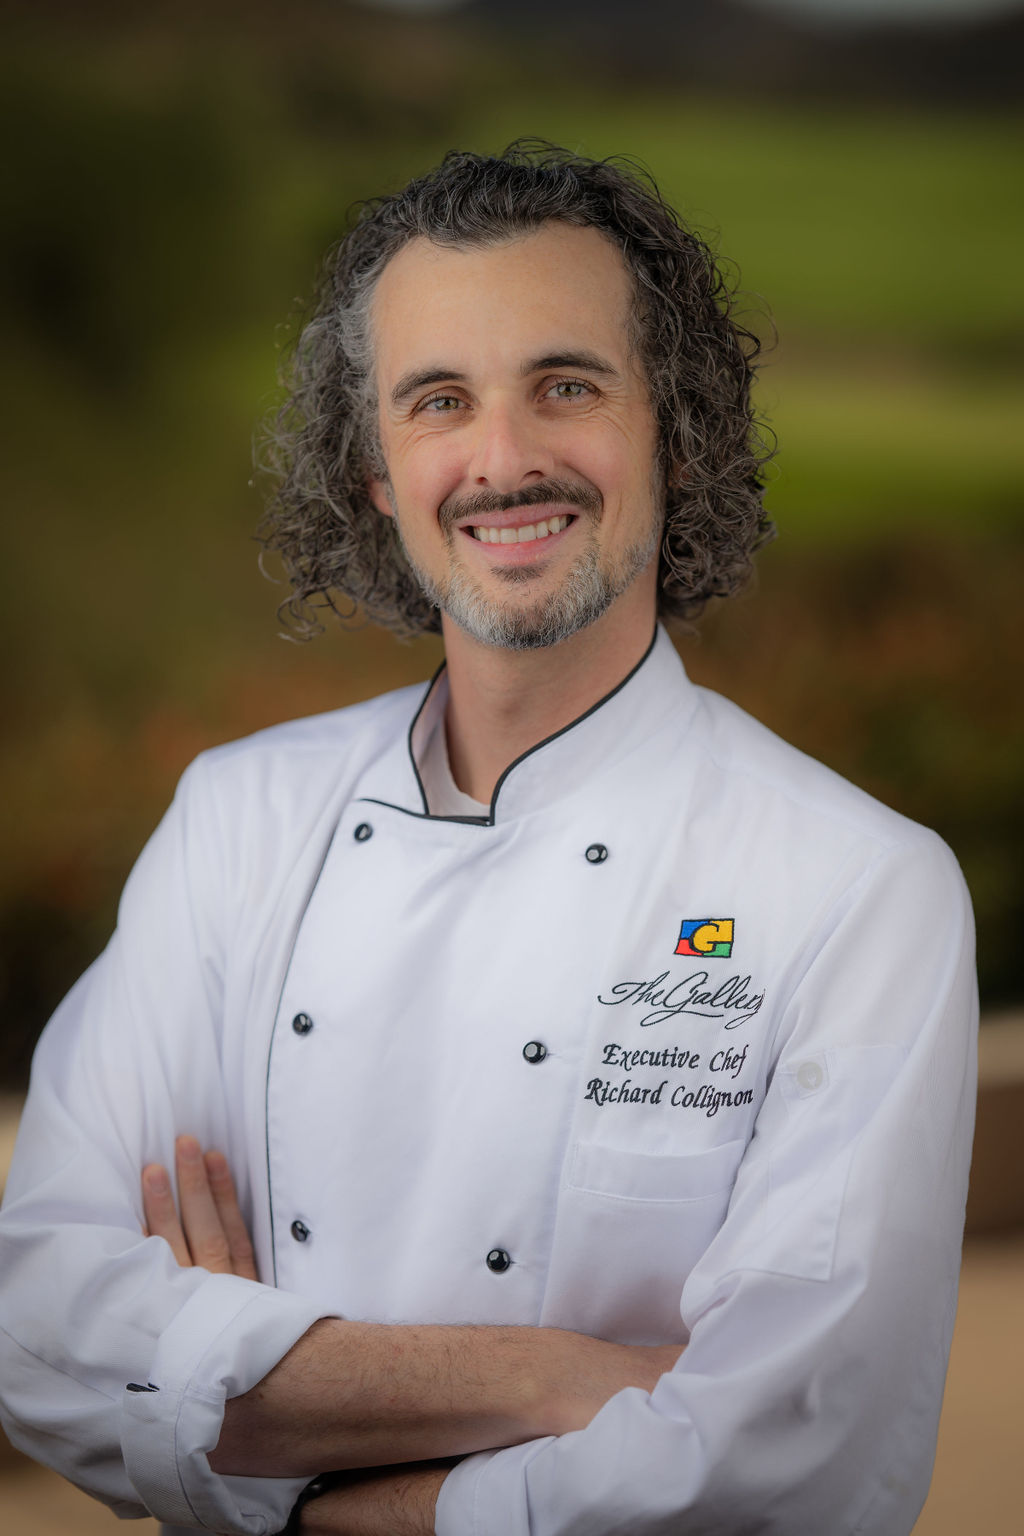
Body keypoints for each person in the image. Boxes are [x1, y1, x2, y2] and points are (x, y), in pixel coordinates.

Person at [0, 144, 977, 1536]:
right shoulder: (238, 821)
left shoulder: (856, 890)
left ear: (678, 431)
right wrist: (559, 1378)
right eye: (439, 401)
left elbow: (787, 1461)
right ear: (381, 473)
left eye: (566, 386)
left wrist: (279, 1464)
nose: (503, 459)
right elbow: (34, 1321)